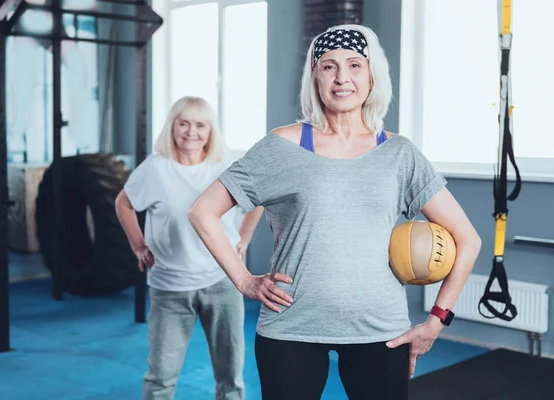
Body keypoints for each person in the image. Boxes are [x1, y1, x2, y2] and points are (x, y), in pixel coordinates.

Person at [187, 24, 482, 400]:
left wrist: (437, 320)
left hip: (381, 332)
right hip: (291, 328)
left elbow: (467, 239)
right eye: (329, 66)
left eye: (354, 65)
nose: (342, 77)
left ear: (372, 75)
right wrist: (244, 281)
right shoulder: (281, 146)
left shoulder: (400, 154)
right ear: (315, 75)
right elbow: (202, 211)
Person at [115, 96, 263, 400]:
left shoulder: (225, 168)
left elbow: (259, 201)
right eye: (183, 123)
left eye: (200, 125)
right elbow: (124, 203)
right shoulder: (155, 168)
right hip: (170, 287)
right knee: (160, 378)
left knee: (231, 377)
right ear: (172, 127)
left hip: (223, 281)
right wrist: (137, 244)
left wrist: (243, 238)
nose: (190, 131)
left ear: (210, 131)